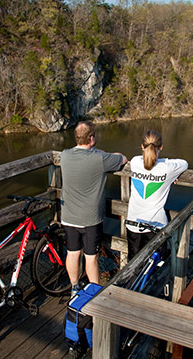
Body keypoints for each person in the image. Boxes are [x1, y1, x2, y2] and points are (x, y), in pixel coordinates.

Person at [60, 121, 127, 296]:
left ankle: (75, 287)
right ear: (92, 138)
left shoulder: (65, 155)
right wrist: (104, 153)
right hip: (90, 219)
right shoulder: (99, 159)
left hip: (68, 216)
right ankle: (94, 291)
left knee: (72, 253)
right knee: (91, 257)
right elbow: (122, 158)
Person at [126, 130, 188, 260]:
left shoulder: (135, 162)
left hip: (133, 223)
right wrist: (167, 168)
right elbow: (184, 163)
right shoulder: (167, 169)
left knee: (133, 266)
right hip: (155, 226)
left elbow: (146, 162)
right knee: (156, 266)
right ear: (161, 147)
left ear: (142, 146)